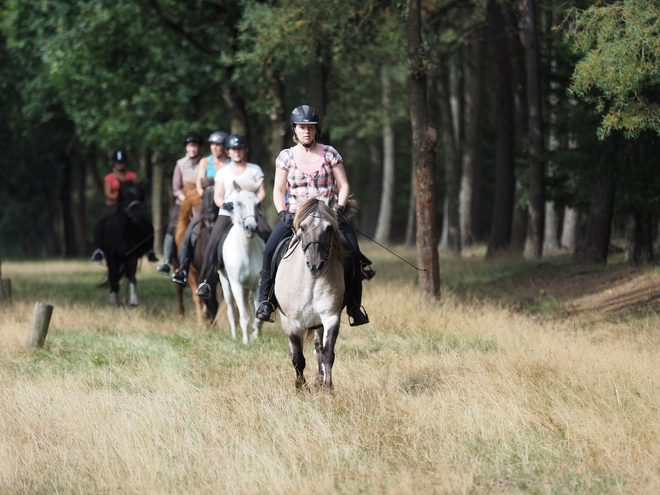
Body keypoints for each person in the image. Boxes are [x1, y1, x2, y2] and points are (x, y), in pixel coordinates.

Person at [255, 105, 373, 326]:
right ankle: (266, 301)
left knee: (353, 251)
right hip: (296, 215)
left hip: (328, 214)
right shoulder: (286, 157)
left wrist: (338, 207)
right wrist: (283, 213)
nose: (306, 131)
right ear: (295, 130)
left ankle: (355, 306)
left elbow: (344, 185)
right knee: (270, 249)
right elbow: (278, 190)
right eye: (302, 127)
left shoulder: (330, 153)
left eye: (310, 127)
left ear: (316, 130)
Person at [194, 133, 272, 299]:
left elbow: (262, 192)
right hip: (227, 213)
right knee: (213, 242)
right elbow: (217, 196)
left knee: (269, 235)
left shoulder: (255, 169)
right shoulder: (223, 172)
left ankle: (274, 277)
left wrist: (255, 202)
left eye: (240, 149)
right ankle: (205, 281)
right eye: (233, 149)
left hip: (250, 212)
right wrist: (224, 204)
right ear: (228, 152)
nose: (237, 152)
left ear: (245, 150)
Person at [171, 130, 230, 284]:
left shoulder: (230, 162)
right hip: (208, 202)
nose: (215, 148)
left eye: (218, 145)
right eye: (212, 145)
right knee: (191, 228)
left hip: (226, 204)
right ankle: (183, 266)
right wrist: (205, 197)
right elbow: (199, 183)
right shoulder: (205, 161)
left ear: (224, 147)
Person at [91, 150, 158, 264]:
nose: (120, 164)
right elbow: (108, 194)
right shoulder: (109, 178)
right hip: (115, 205)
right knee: (100, 222)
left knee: (146, 219)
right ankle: (99, 249)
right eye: (117, 162)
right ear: (114, 163)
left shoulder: (132, 176)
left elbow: (137, 190)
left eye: (121, 162)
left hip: (130, 206)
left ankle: (149, 249)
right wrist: (121, 198)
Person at [156, 131, 203, 276]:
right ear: (186, 148)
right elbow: (176, 188)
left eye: (195, 146)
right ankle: (167, 261)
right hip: (183, 202)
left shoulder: (205, 162)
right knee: (172, 226)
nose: (193, 149)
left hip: (201, 201)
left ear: (199, 147)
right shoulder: (180, 164)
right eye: (190, 146)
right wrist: (186, 200)